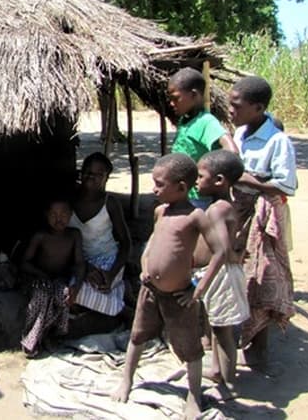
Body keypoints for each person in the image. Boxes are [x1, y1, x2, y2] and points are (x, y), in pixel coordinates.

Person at [111, 153, 230, 420]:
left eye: (159, 184)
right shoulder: (160, 211)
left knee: (190, 349)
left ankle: (194, 395)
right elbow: (152, 243)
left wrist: (197, 288)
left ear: (181, 187)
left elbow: (220, 252)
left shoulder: (195, 216)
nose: (154, 189)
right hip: (149, 291)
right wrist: (144, 265)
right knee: (137, 336)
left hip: (179, 296)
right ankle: (127, 380)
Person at [228, 76, 298, 371]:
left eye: (236, 105)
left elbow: (286, 185)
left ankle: (258, 349)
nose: (230, 110)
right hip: (239, 213)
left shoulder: (278, 141)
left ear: (257, 108)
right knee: (237, 275)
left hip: (261, 217)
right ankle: (236, 338)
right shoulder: (240, 133)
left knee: (261, 279)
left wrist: (242, 176)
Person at [191, 149, 249, 396]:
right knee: (217, 326)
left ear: (219, 181)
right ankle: (218, 370)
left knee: (223, 331)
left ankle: (229, 382)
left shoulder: (216, 210)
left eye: (200, 176)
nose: (196, 180)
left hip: (220, 275)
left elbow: (223, 250)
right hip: (219, 272)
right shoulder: (223, 205)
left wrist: (204, 282)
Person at [68, 153, 131, 317]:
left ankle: (125, 311)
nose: (91, 177)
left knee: (94, 288)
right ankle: (120, 305)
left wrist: (112, 274)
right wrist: (86, 267)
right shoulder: (70, 200)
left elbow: (125, 243)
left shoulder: (110, 203)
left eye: (98, 174)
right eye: (87, 172)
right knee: (72, 293)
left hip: (108, 259)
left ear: (106, 177)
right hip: (80, 261)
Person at [19, 199, 84, 356]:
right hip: (37, 279)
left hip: (59, 279)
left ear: (71, 215)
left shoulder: (74, 235)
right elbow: (25, 263)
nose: (58, 219)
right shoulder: (40, 236)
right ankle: (30, 339)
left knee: (63, 296)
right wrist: (41, 275)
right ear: (46, 215)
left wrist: (76, 286)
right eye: (53, 214)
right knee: (42, 295)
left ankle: (50, 334)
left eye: (63, 214)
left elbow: (80, 264)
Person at [167, 67, 238, 209]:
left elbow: (232, 151)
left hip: (199, 199)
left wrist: (211, 180)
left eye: (176, 98)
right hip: (186, 195)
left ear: (193, 95)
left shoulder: (206, 122)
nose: (171, 103)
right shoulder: (185, 121)